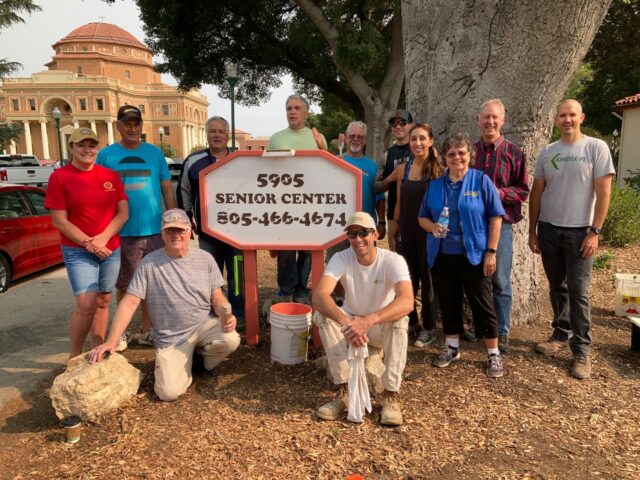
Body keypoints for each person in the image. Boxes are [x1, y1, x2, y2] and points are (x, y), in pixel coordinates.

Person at [88, 209, 241, 401]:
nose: (175, 235)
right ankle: (184, 363)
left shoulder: (205, 259)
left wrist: (226, 315)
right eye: (170, 231)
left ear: (189, 231)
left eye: (180, 230)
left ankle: (201, 362)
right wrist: (111, 341)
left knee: (231, 338)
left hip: (203, 326)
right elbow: (129, 303)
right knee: (168, 393)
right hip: (172, 338)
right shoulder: (149, 264)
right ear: (162, 234)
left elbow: (217, 297)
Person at [529, 99, 614, 380]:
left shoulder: (595, 148)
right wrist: (533, 230)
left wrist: (595, 232)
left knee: (579, 291)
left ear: (582, 118)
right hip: (550, 228)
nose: (567, 120)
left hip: (581, 231)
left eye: (572, 115)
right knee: (556, 285)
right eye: (563, 115)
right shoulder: (548, 152)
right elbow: (537, 193)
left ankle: (582, 350)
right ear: (556, 120)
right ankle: (560, 333)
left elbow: (603, 194)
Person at [312, 212, 413, 426]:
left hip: (377, 327)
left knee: (400, 319)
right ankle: (344, 391)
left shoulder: (392, 260)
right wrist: (349, 323)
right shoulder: (341, 257)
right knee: (322, 316)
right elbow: (320, 295)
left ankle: (390, 394)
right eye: (352, 234)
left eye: (363, 233)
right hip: (351, 323)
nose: (357, 239)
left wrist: (368, 321)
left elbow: (407, 301)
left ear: (375, 234)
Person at [418, 133, 505, 378]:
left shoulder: (481, 181)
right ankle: (452, 347)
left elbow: (496, 217)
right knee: (448, 301)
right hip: (443, 255)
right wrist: (432, 227)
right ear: (445, 158)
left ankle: (493, 353)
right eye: (451, 153)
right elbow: (422, 217)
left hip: (475, 255)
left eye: (462, 153)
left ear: (470, 156)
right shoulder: (435, 186)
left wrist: (491, 251)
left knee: (483, 304)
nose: (457, 157)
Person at [44, 127, 128, 359]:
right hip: (78, 251)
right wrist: (89, 243)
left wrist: (102, 238)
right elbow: (59, 220)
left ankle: (97, 349)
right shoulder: (60, 177)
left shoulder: (110, 176)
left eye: (92, 146)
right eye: (81, 145)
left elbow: (122, 213)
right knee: (86, 303)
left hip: (110, 248)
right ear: (72, 147)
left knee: (103, 300)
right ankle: (74, 356)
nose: (87, 150)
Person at [97, 105, 176, 346]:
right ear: (118, 126)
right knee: (126, 284)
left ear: (141, 125)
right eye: (127, 124)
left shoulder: (154, 153)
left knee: (152, 283)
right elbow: (98, 193)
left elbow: (165, 187)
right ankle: (121, 331)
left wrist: (172, 217)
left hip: (153, 230)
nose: (132, 128)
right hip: (123, 232)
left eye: (136, 123)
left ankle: (147, 329)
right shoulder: (106, 155)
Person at [379, 123, 443, 347]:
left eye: (422, 139)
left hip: (428, 233)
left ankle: (428, 328)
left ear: (430, 141)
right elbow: (397, 202)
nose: (417, 143)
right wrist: (394, 230)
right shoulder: (402, 169)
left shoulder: (437, 171)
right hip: (405, 231)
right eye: (414, 139)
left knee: (428, 283)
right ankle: (412, 322)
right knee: (406, 280)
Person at [474, 99, 529, 353]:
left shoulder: (514, 153)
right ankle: (483, 328)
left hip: (502, 228)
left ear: (502, 120)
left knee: (500, 281)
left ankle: (502, 331)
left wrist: (499, 193)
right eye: (486, 117)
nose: (490, 122)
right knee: (475, 280)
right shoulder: (470, 152)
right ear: (479, 121)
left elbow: (523, 190)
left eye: (494, 117)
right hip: (474, 227)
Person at [177, 116, 244, 320]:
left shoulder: (240, 161)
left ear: (227, 135)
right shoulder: (193, 161)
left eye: (221, 132)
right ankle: (212, 315)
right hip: (208, 232)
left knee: (238, 275)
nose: (216, 135)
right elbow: (183, 191)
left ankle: (238, 314)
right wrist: (188, 219)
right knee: (210, 274)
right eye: (212, 131)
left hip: (238, 232)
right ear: (207, 135)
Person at [268, 94, 327, 303]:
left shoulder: (316, 137)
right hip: (283, 205)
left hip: (311, 204)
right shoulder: (276, 138)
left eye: (297, 108)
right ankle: (286, 290)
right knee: (285, 249)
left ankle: (302, 289)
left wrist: (323, 148)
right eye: (289, 108)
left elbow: (326, 167)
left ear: (306, 112)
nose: (292, 111)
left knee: (308, 249)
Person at [326, 121, 386, 261]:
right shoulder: (335, 161)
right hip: (338, 226)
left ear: (365, 141)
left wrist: (381, 222)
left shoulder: (371, 166)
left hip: (365, 227)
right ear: (346, 138)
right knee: (337, 267)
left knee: (365, 267)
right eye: (352, 136)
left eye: (360, 137)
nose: (356, 139)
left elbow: (379, 197)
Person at [377, 109, 414, 252]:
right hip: (393, 215)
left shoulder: (419, 149)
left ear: (410, 125)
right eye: (394, 124)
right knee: (396, 259)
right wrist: (390, 178)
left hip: (418, 214)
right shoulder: (387, 155)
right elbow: (376, 187)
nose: (398, 126)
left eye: (402, 123)